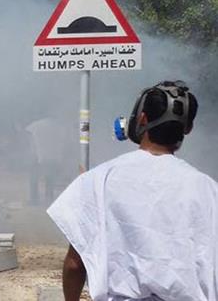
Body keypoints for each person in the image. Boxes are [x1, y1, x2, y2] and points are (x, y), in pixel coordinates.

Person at [47, 81, 217, 301]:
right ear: (188, 128)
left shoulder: (100, 180)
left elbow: (74, 265)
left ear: (142, 119)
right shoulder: (208, 189)